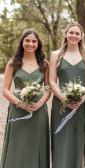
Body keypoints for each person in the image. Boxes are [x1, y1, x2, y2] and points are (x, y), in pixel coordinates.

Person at [49, 22, 85, 168]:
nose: (74, 36)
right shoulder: (56, 55)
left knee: (81, 140)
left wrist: (81, 98)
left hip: (83, 105)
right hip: (61, 105)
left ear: (81, 36)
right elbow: (52, 81)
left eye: (77, 33)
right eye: (71, 32)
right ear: (65, 34)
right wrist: (64, 99)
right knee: (62, 140)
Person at [1, 29, 50, 168]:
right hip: (18, 109)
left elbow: (48, 89)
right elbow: (5, 90)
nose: (30, 44)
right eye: (27, 40)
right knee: (18, 143)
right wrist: (20, 104)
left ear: (38, 44)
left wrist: (41, 103)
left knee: (35, 143)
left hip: (38, 110)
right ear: (22, 42)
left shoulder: (44, 64)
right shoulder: (13, 63)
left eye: (34, 41)